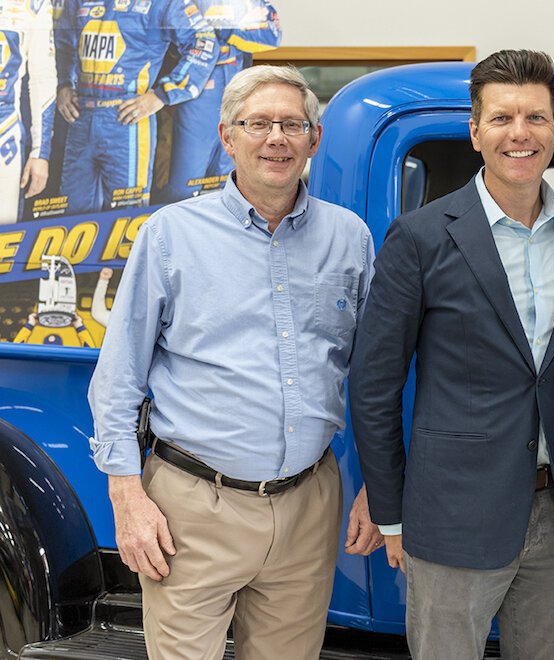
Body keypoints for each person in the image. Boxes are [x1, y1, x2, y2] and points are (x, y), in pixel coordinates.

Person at [88, 64, 381, 660]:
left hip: (309, 502)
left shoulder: (349, 238)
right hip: (193, 507)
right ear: (227, 137)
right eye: (258, 124)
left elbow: (374, 373)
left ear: (313, 140)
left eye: (292, 124)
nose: (277, 138)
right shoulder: (172, 234)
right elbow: (118, 376)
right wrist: (127, 499)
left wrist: (380, 485)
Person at [349, 49, 554, 660]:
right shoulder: (419, 237)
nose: (519, 134)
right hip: (450, 516)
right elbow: (374, 384)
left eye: (535, 118)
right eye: (501, 118)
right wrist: (390, 512)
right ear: (475, 132)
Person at [54, 0, 218, 215]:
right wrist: (64, 84)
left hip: (128, 121)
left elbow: (204, 42)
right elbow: (62, 43)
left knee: (127, 217)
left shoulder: (163, 3)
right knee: (71, 216)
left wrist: (163, 94)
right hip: (79, 117)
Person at [156, 0, 282, 204]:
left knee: (228, 182)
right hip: (189, 98)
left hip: (237, 96)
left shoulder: (249, 3)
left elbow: (272, 36)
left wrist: (228, 32)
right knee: (183, 185)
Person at [0, 0, 57, 224]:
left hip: (5, 139)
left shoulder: (34, 4)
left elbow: (43, 79)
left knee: (4, 242)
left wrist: (39, 153)